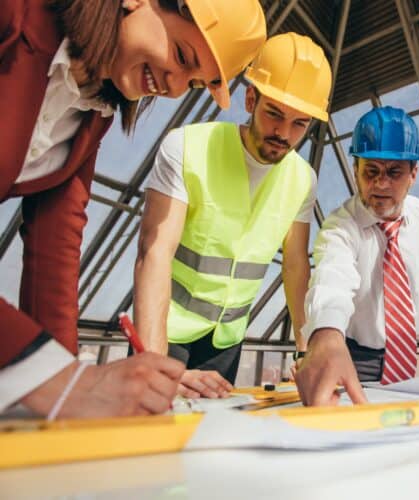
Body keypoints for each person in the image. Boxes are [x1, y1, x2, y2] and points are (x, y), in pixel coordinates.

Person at [0, 0, 266, 418]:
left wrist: (70, 383)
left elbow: (54, 252)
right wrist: (52, 379)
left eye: (193, 83)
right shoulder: (14, 14)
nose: (176, 88)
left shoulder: (90, 114)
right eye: (182, 56)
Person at [133, 32, 332, 399]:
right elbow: (154, 252)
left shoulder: (303, 179)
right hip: (164, 329)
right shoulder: (187, 146)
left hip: (226, 341)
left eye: (300, 124)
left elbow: (295, 266)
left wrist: (306, 350)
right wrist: (152, 361)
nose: (283, 134)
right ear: (251, 98)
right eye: (274, 114)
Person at [295, 106, 419, 407]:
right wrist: (328, 335)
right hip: (353, 356)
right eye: (371, 171)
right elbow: (332, 279)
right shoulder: (340, 226)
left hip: (407, 357)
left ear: (414, 174)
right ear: (355, 170)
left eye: (394, 172)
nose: (381, 184)